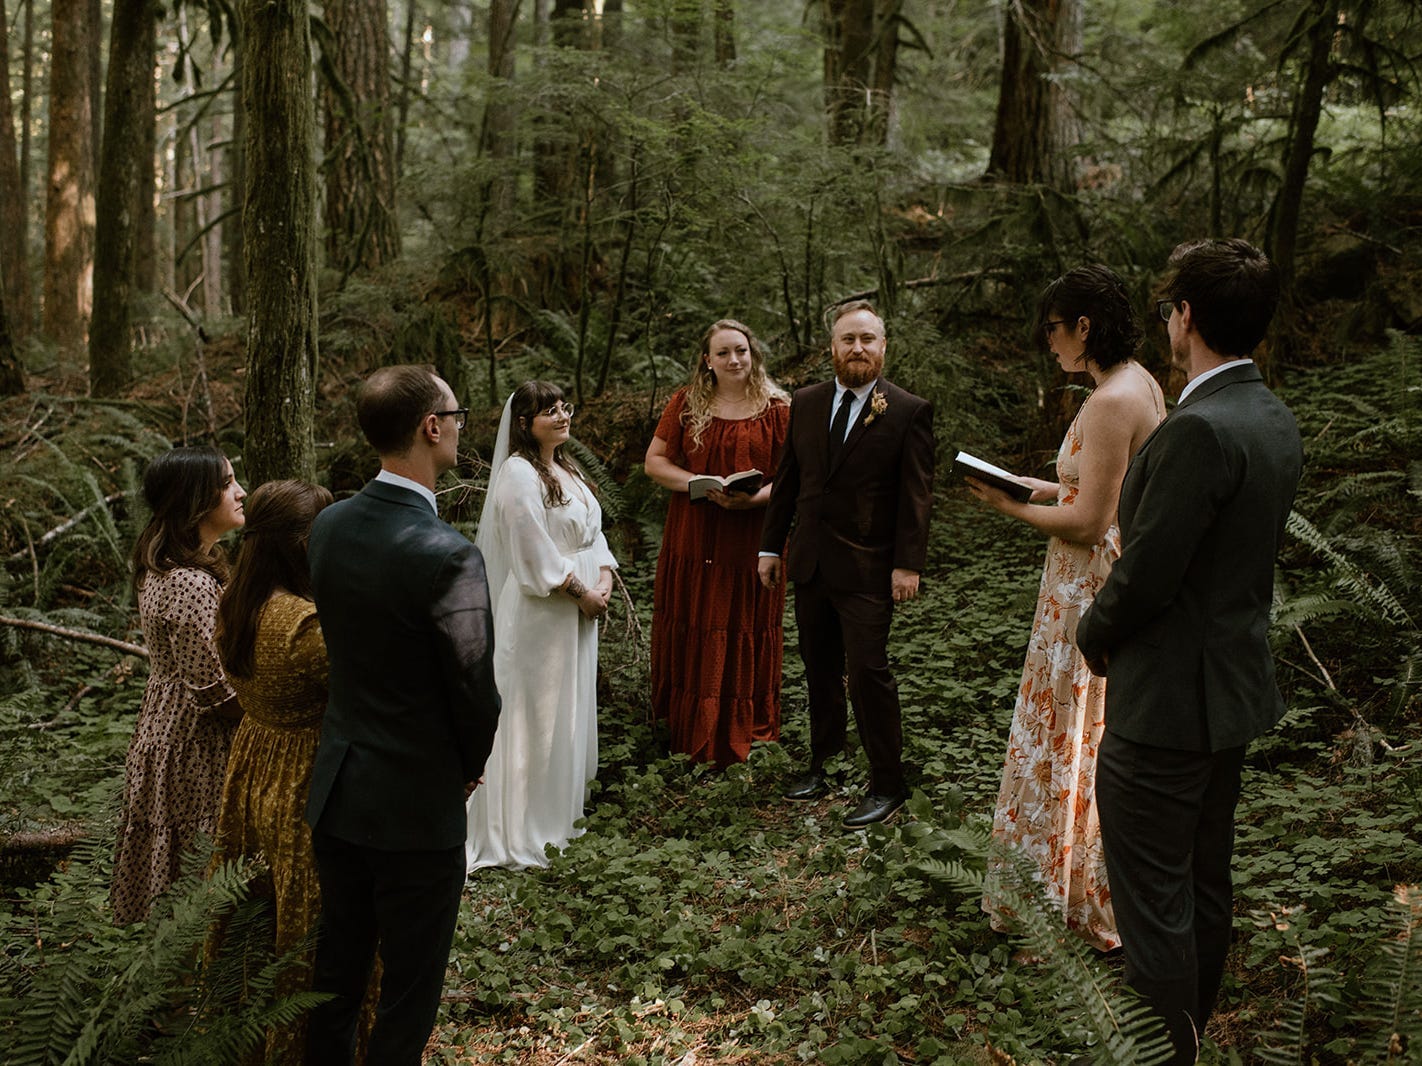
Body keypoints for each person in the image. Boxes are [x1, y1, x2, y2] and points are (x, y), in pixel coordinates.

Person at [1076, 239, 1304, 1064]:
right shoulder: (1270, 414)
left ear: (1187, 319)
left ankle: (1168, 1051)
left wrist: (1092, 631)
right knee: (1204, 879)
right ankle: (1193, 1036)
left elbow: (1147, 576)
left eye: (1171, 307)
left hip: (1168, 704)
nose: (1167, 319)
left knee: (1155, 900)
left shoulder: (1199, 430)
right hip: (1230, 694)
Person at [304, 364, 502, 1066]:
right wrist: (468, 767)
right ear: (432, 427)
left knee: (334, 980)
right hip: (416, 807)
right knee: (407, 997)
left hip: (339, 790)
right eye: (457, 413)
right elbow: (475, 689)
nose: (460, 423)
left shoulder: (327, 525)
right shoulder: (448, 555)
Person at [968, 265, 1166, 953]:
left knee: (1074, 734)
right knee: (1075, 735)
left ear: (1084, 325)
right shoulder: (1134, 380)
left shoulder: (1114, 399)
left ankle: (1072, 903)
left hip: (1088, 584)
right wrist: (1032, 484)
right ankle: (1071, 889)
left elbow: (1090, 521)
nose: (1048, 345)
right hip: (1085, 579)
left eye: (1053, 330)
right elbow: (1089, 489)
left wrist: (1011, 506)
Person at [758, 300, 935, 828]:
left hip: (869, 569)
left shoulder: (907, 410)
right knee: (818, 669)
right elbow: (788, 481)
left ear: (884, 347)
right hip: (810, 563)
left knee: (867, 672)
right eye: (847, 340)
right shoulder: (806, 403)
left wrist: (907, 565)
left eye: (868, 339)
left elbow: (916, 497)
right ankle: (825, 763)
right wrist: (771, 547)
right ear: (831, 348)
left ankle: (888, 782)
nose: (858, 348)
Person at [212, 478, 343, 1064]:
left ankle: (242, 1031)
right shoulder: (306, 625)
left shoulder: (235, 602)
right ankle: (295, 1045)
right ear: (302, 544)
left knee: (258, 906)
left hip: (252, 762)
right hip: (303, 774)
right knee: (302, 914)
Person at [465, 381, 617, 870]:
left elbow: (592, 531)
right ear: (525, 423)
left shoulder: (563, 467)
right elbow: (531, 549)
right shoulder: (517, 474)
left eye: (565, 407)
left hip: (578, 613)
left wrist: (607, 576)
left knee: (568, 711)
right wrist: (580, 592)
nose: (562, 415)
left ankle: (561, 816)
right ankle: (524, 828)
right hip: (542, 615)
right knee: (535, 718)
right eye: (549, 411)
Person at [645, 319, 791, 767]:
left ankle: (747, 732)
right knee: (696, 618)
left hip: (754, 536)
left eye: (741, 351)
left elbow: (796, 478)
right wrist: (699, 484)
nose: (734, 360)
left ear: (753, 354)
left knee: (747, 621)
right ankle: (689, 732)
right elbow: (654, 463)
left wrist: (757, 500)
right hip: (695, 536)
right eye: (724, 352)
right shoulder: (687, 404)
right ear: (707, 360)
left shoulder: (779, 409)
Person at [111, 444, 245, 925]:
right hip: (192, 747)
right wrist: (277, 713)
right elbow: (213, 690)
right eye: (228, 483)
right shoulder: (187, 581)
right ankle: (189, 994)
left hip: (172, 735)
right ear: (196, 499)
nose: (240, 491)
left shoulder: (177, 566)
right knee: (194, 886)